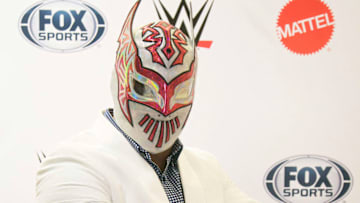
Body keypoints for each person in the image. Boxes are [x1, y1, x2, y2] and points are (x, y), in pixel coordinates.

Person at [35, 1, 259, 203]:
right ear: (120, 78)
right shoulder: (73, 164)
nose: (164, 109)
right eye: (144, 88)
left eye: (180, 90)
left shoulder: (207, 168)